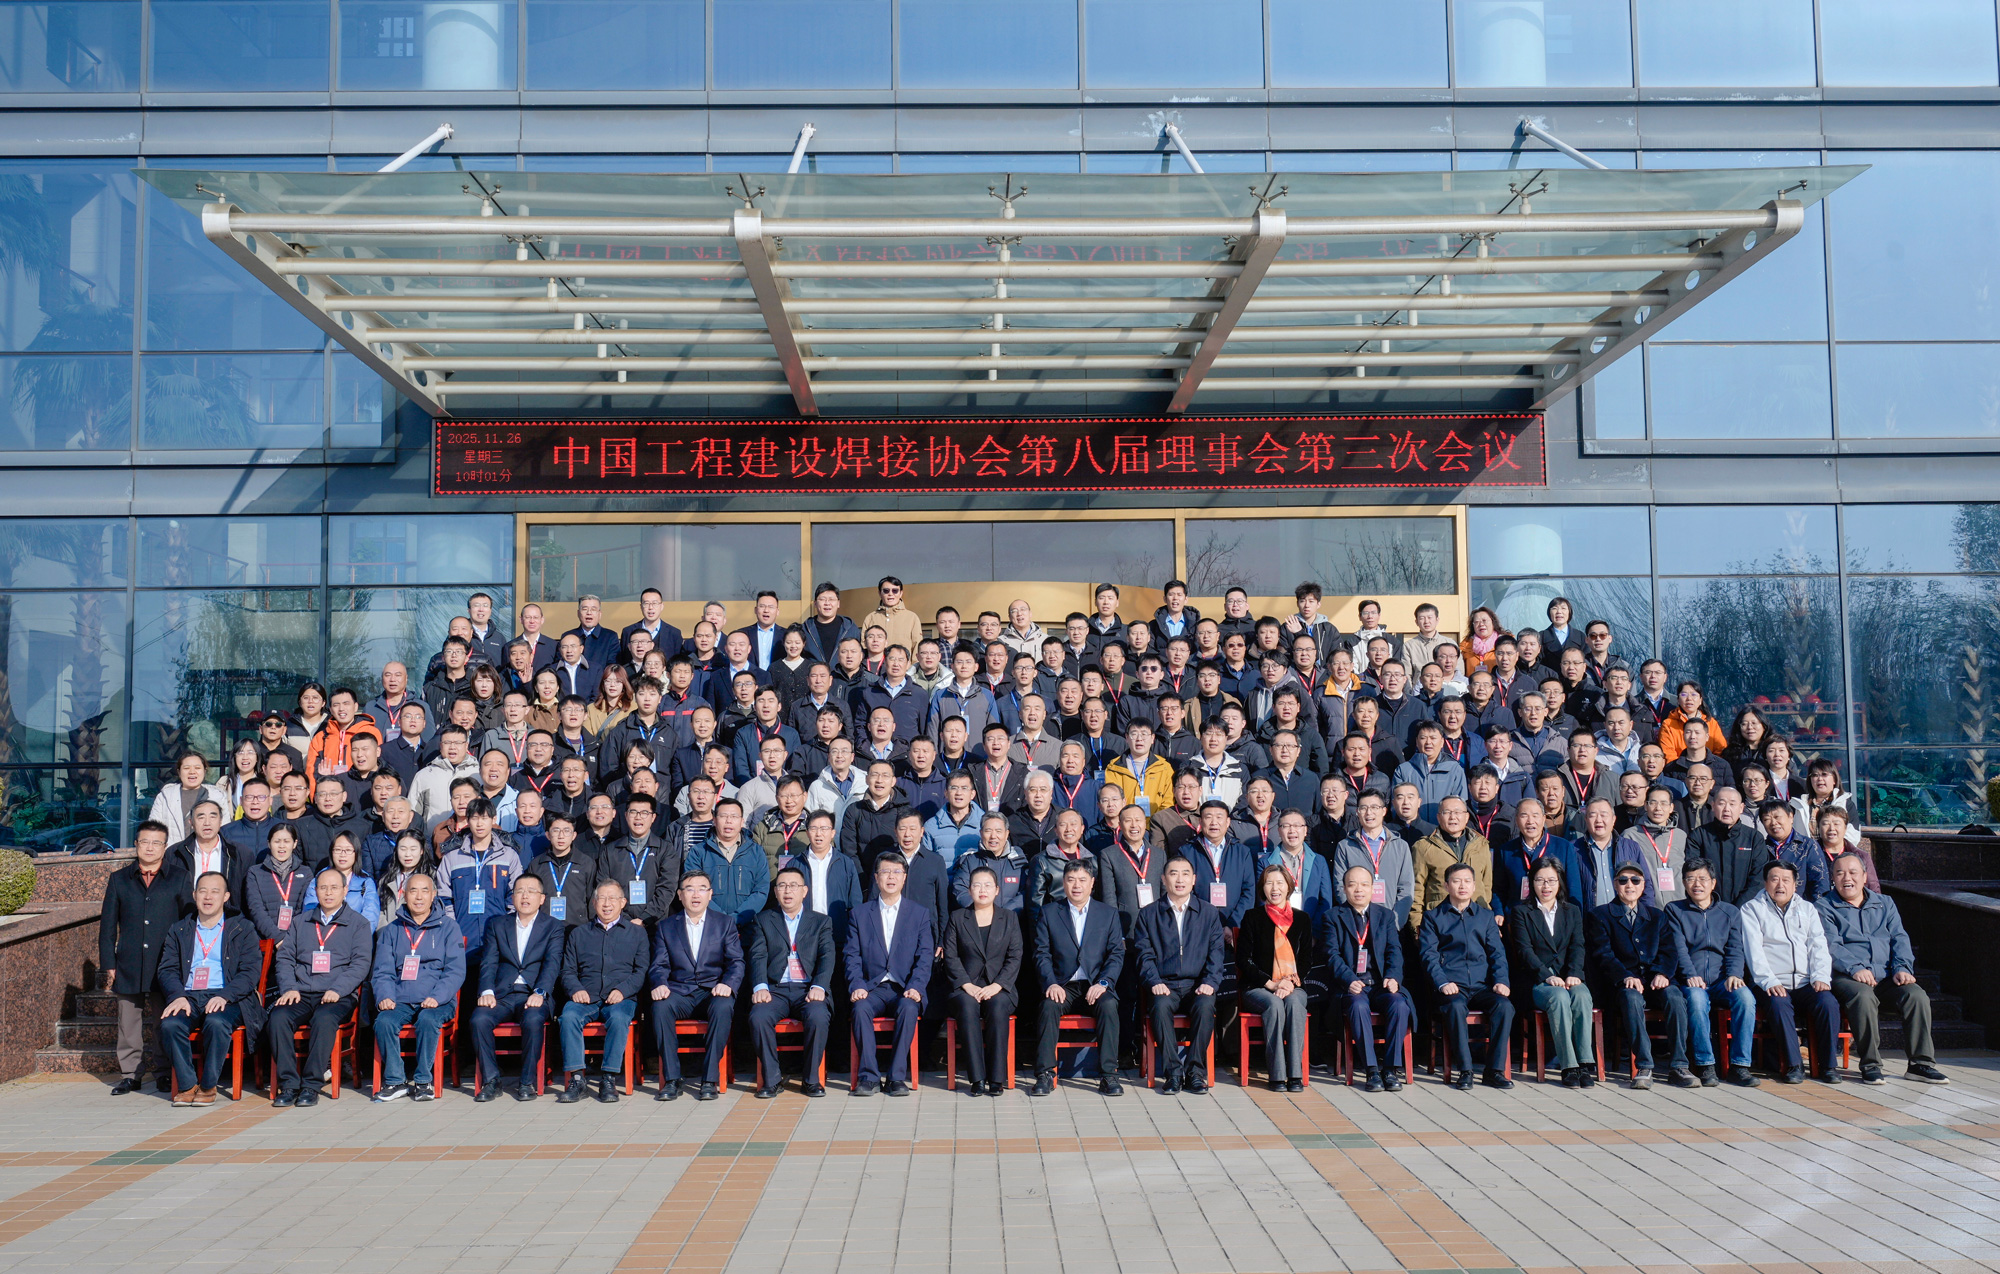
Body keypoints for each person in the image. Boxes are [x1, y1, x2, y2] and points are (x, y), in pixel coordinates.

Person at [1817, 852, 1948, 1086]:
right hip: (1847, 977)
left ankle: (1920, 1064)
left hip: (1886, 975)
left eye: (1853, 872)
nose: (1847, 878)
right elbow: (1830, 945)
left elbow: (1900, 938)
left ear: (1864, 876)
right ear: (1832, 878)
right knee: (1863, 996)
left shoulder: (1884, 903)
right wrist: (1855, 968)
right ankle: (1871, 1065)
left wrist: (1902, 967)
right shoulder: (1824, 906)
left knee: (1916, 995)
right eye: (1840, 873)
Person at [155, 870, 265, 1106]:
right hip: (189, 996)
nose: (208, 897)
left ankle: (207, 1086)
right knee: (170, 1024)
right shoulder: (180, 929)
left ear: (226, 897)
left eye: (215, 891)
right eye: (203, 891)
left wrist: (225, 995)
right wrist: (178, 996)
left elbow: (250, 972)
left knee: (216, 1022)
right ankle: (187, 1085)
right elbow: (167, 969)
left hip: (229, 996)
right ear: (194, 895)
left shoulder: (242, 928)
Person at [266, 866, 373, 1107]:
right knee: (278, 1018)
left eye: (334, 887)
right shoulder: (300, 922)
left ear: (345, 890)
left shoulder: (358, 924)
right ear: (315, 891)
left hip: (338, 994)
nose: (328, 893)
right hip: (301, 992)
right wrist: (289, 987)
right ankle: (289, 1085)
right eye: (323, 887)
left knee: (324, 1019)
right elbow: (285, 958)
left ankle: (311, 1085)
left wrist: (338, 989)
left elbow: (361, 964)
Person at [99, 821, 187, 1096]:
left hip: (166, 962)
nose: (150, 847)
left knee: (164, 1020)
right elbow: (107, 926)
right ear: (136, 844)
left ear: (165, 847)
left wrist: (185, 961)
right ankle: (130, 1075)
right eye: (144, 842)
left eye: (156, 843)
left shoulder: (179, 877)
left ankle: (164, 1072)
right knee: (128, 1022)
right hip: (129, 961)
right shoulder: (119, 879)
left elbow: (187, 923)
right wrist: (109, 963)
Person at [1587, 864, 1691, 1089]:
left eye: (1635, 880)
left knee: (1674, 996)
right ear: (1615, 885)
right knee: (1631, 998)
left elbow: (1669, 950)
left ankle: (1679, 1066)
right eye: (1623, 880)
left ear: (1643, 886)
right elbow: (1602, 954)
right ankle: (1644, 1066)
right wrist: (1624, 976)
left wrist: (1662, 973)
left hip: (1655, 980)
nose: (1629, 885)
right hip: (1621, 984)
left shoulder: (1657, 916)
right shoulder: (1600, 915)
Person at [1740, 859, 1841, 1085]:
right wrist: (1769, 981)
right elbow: (1754, 951)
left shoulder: (1807, 909)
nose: (1780, 885)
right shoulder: (1752, 909)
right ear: (1765, 883)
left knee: (1828, 1002)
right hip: (1771, 982)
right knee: (1779, 1003)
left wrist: (1821, 976)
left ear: (1795, 884)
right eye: (1774, 879)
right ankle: (1794, 1065)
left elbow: (1818, 946)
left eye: (1786, 880)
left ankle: (1828, 1065)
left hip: (1806, 981)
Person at [1034, 857, 1127, 1097]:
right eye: (1071, 880)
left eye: (1082, 880)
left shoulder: (1107, 914)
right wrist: (1051, 982)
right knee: (1048, 1006)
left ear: (1092, 883)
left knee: (1109, 1006)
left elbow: (1116, 954)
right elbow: (1041, 953)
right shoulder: (1049, 912)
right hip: (1063, 985)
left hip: (1095, 984)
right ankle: (1045, 1074)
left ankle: (1109, 1075)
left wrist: (1104, 982)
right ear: (1063, 883)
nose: (1077, 885)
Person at [648, 871, 743, 1102]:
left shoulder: (724, 923)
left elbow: (736, 962)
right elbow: (659, 965)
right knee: (660, 1007)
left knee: (723, 1007)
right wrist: (659, 983)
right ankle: (672, 1079)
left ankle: (709, 1080)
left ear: (710, 894)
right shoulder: (666, 926)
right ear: (680, 895)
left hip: (712, 991)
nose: (696, 894)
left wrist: (727, 984)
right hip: (680, 992)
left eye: (702, 889)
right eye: (689, 889)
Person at [370, 871, 465, 1102]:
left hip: (437, 1000)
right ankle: (396, 1081)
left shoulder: (449, 927)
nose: (419, 897)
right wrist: (385, 996)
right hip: (401, 998)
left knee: (428, 1020)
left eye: (425, 891)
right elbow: (382, 970)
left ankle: (423, 1080)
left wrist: (437, 996)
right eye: (413, 891)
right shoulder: (392, 930)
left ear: (434, 895)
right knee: (383, 1021)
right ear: (404, 894)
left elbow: (455, 970)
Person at [1419, 863, 1514, 1091]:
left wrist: (1501, 981)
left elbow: (1497, 954)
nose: (1462, 885)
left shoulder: (1485, 916)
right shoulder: (1433, 917)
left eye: (1467, 881)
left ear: (1474, 886)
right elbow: (1428, 956)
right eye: (1456, 881)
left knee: (1505, 1007)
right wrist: (1442, 982)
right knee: (1455, 1007)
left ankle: (1494, 1071)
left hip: (1482, 986)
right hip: (1452, 985)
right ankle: (1465, 1070)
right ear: (1446, 885)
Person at [1663, 858, 1758, 1088]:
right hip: (1690, 980)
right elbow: (1678, 948)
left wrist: (1734, 974)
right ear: (1684, 883)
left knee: (1746, 998)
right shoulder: (1675, 910)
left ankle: (1740, 1066)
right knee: (1696, 1000)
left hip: (1722, 980)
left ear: (1713, 883)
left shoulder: (1730, 912)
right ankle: (1705, 1065)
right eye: (1690, 879)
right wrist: (1689, 974)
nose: (1697, 884)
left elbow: (1735, 948)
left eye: (1702, 879)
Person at [845, 852, 932, 1096]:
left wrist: (916, 986)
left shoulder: (919, 913)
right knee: (860, 1009)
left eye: (896, 872)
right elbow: (851, 956)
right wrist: (857, 984)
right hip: (872, 987)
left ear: (904, 878)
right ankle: (869, 1077)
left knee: (909, 1008)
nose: (890, 877)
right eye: (885, 871)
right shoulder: (860, 914)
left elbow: (925, 956)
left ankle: (896, 1078)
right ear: (876, 878)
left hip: (904, 987)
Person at [470, 874, 563, 1101]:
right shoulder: (497, 924)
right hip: (502, 994)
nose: (525, 896)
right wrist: (487, 991)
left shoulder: (553, 926)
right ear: (512, 897)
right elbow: (489, 962)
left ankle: (527, 1082)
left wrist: (540, 992)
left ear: (542, 898)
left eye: (531, 891)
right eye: (520, 891)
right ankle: (492, 1080)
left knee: (533, 1020)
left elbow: (552, 963)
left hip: (533, 994)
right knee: (479, 1019)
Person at [557, 880, 650, 1104]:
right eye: (602, 899)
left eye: (612, 899)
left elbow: (641, 971)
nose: (607, 904)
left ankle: (608, 1078)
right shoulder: (579, 933)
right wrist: (576, 989)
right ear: (594, 902)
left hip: (620, 997)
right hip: (586, 997)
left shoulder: (636, 933)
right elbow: (567, 970)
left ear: (623, 902)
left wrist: (623, 990)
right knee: (568, 1016)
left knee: (618, 1019)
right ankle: (577, 1079)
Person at [748, 864, 836, 1099]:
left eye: (793, 885)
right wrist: (760, 986)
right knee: (758, 1017)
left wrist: (819, 985)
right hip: (775, 989)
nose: (788, 891)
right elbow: (757, 956)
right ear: (775, 891)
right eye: (782, 886)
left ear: (804, 891)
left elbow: (827, 956)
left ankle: (811, 1080)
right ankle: (772, 1080)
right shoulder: (763, 920)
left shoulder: (820, 922)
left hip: (807, 989)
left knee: (818, 1016)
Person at [1507, 859, 1596, 1088]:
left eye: (1551, 880)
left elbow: (1578, 946)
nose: (1546, 886)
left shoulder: (1572, 911)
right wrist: (1546, 975)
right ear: (1531, 883)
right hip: (1538, 981)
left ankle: (1584, 1063)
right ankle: (1569, 1066)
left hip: (1568, 977)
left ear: (1559, 883)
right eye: (1540, 880)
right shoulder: (1521, 912)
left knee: (1582, 995)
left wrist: (1574, 973)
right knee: (1559, 997)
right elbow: (1524, 951)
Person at [1325, 865, 1411, 1093]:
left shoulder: (1386, 915)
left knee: (1399, 1005)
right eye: (1352, 885)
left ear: (1373, 888)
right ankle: (1372, 1070)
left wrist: (1393, 977)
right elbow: (1331, 955)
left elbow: (1394, 951)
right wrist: (1348, 979)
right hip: (1352, 986)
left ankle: (1390, 1069)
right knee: (1358, 1006)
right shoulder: (1332, 917)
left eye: (1364, 884)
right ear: (1344, 888)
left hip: (1381, 983)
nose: (1359, 890)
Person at [945, 863, 1024, 1096]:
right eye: (977, 885)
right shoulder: (958, 917)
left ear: (997, 890)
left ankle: (996, 1078)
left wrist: (997, 985)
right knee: (967, 1007)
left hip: (1000, 987)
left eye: (988, 885)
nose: (982, 890)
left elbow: (1015, 956)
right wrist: (967, 985)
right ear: (969, 890)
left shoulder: (1009, 918)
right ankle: (977, 1078)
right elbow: (950, 956)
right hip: (965, 987)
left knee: (998, 1006)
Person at [1237, 863, 1317, 1092]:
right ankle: (1277, 1075)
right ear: (1262, 888)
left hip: (1293, 985)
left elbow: (1306, 961)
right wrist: (1271, 984)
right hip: (1259, 987)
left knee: (1294, 1003)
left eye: (1280, 883)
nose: (1275, 888)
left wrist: (1289, 983)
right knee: (1274, 1004)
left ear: (1288, 886)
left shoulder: (1302, 919)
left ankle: (1295, 1074)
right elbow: (1244, 960)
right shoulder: (1252, 917)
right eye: (1269, 883)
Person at [150, 750, 231, 846]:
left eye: (197, 768)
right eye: (186, 768)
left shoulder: (217, 796)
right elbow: (153, 830)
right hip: (172, 853)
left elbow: (225, 831)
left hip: (207, 853)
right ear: (179, 772)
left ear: (204, 771)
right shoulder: (165, 796)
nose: (192, 772)